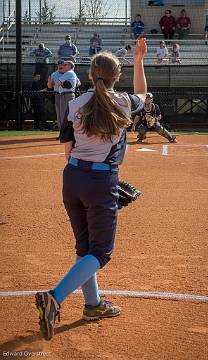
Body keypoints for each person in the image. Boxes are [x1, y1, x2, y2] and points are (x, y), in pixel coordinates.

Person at [35, 38, 147, 340]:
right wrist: (138, 61)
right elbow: (143, 95)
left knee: (84, 249)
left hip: (72, 179)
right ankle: (54, 297)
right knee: (100, 252)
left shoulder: (74, 104)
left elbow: (68, 152)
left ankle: (93, 304)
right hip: (100, 181)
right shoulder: (122, 101)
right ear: (116, 77)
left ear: (87, 75)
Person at [58, 61, 81, 131]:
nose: (63, 66)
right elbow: (79, 83)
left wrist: (63, 83)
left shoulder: (69, 72)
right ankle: (69, 132)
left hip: (66, 95)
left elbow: (58, 82)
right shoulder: (72, 73)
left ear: (69, 66)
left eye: (65, 65)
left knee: (64, 115)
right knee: (69, 114)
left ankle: (66, 133)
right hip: (69, 94)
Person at [47, 60, 65, 131]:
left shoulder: (68, 73)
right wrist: (49, 82)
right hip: (57, 94)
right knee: (59, 114)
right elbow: (49, 86)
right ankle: (61, 132)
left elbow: (79, 83)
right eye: (59, 64)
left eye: (62, 64)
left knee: (66, 113)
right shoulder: (54, 74)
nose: (60, 66)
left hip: (67, 94)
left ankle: (68, 132)